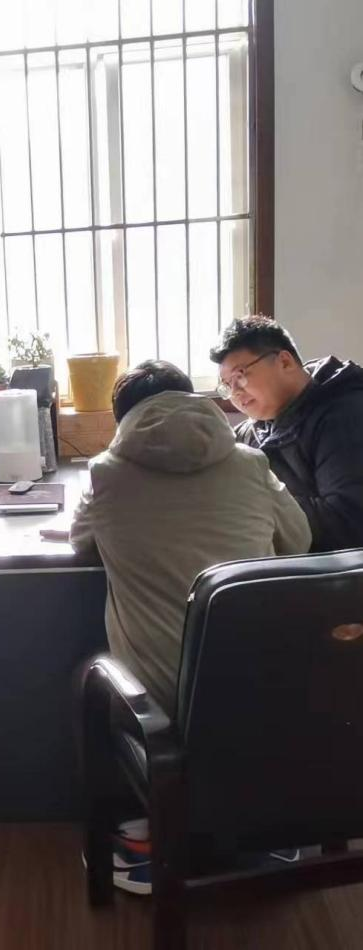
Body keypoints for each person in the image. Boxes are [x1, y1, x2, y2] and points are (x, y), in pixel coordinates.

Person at [68, 360, 310, 894]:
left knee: (95, 672)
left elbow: (79, 543)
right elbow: (298, 541)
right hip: (261, 700)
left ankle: (152, 828)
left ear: (124, 420)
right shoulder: (251, 463)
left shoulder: (105, 474)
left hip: (158, 714)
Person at [210, 315, 363, 552]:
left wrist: (251, 507)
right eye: (227, 385)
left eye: (240, 375)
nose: (235, 393)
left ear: (284, 362)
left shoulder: (345, 413)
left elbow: (347, 521)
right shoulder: (253, 429)